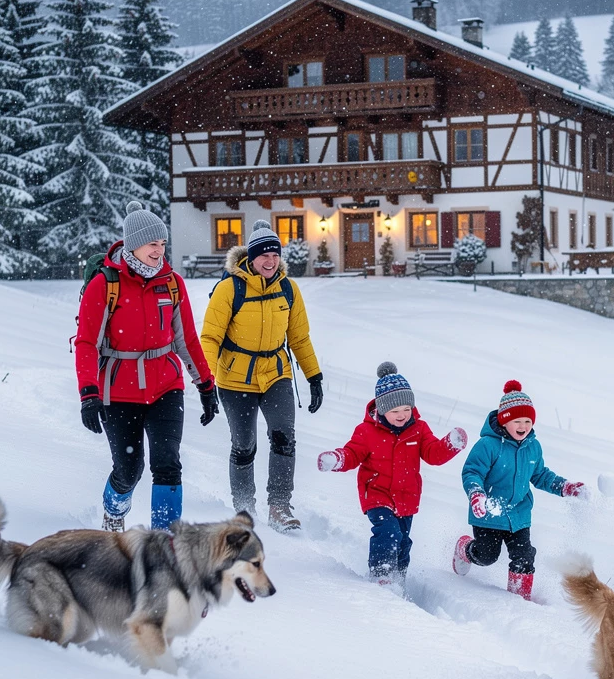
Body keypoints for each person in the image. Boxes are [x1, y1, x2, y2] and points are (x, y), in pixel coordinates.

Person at [75, 201, 217, 532]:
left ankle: (165, 541)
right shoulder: (105, 285)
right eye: (153, 244)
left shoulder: (172, 284)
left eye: (163, 244)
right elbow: (86, 343)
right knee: (129, 469)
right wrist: (88, 393)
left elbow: (187, 340)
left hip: (166, 387)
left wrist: (206, 385)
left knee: (168, 464)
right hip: (118, 392)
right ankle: (114, 510)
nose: (159, 251)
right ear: (133, 244)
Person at [200, 219, 322, 532]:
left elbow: (299, 338)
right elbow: (210, 338)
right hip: (234, 378)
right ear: (250, 258)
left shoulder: (288, 289)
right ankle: (244, 508)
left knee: (283, 435)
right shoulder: (230, 289)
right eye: (263, 255)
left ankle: (279, 505)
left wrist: (314, 376)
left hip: (275, 374)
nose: (270, 261)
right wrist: (207, 380)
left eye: (275, 255)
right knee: (244, 444)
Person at [318, 362, 466, 584]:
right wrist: (337, 459)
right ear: (381, 409)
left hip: (407, 497)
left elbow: (433, 453)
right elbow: (352, 453)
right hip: (377, 494)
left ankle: (399, 578)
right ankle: (381, 575)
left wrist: (450, 444)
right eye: (395, 410)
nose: (402, 415)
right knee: (388, 533)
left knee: (403, 542)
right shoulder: (366, 431)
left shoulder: (419, 429)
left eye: (406, 409)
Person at [452, 380, 586, 599]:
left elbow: (540, 475)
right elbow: (472, 472)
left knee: (524, 557)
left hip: (519, 515)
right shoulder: (488, 445)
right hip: (489, 514)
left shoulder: (533, 447)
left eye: (527, 421)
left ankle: (519, 600)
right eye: (517, 421)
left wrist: (565, 487)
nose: (523, 426)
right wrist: (476, 494)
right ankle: (465, 549)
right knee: (486, 556)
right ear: (504, 421)